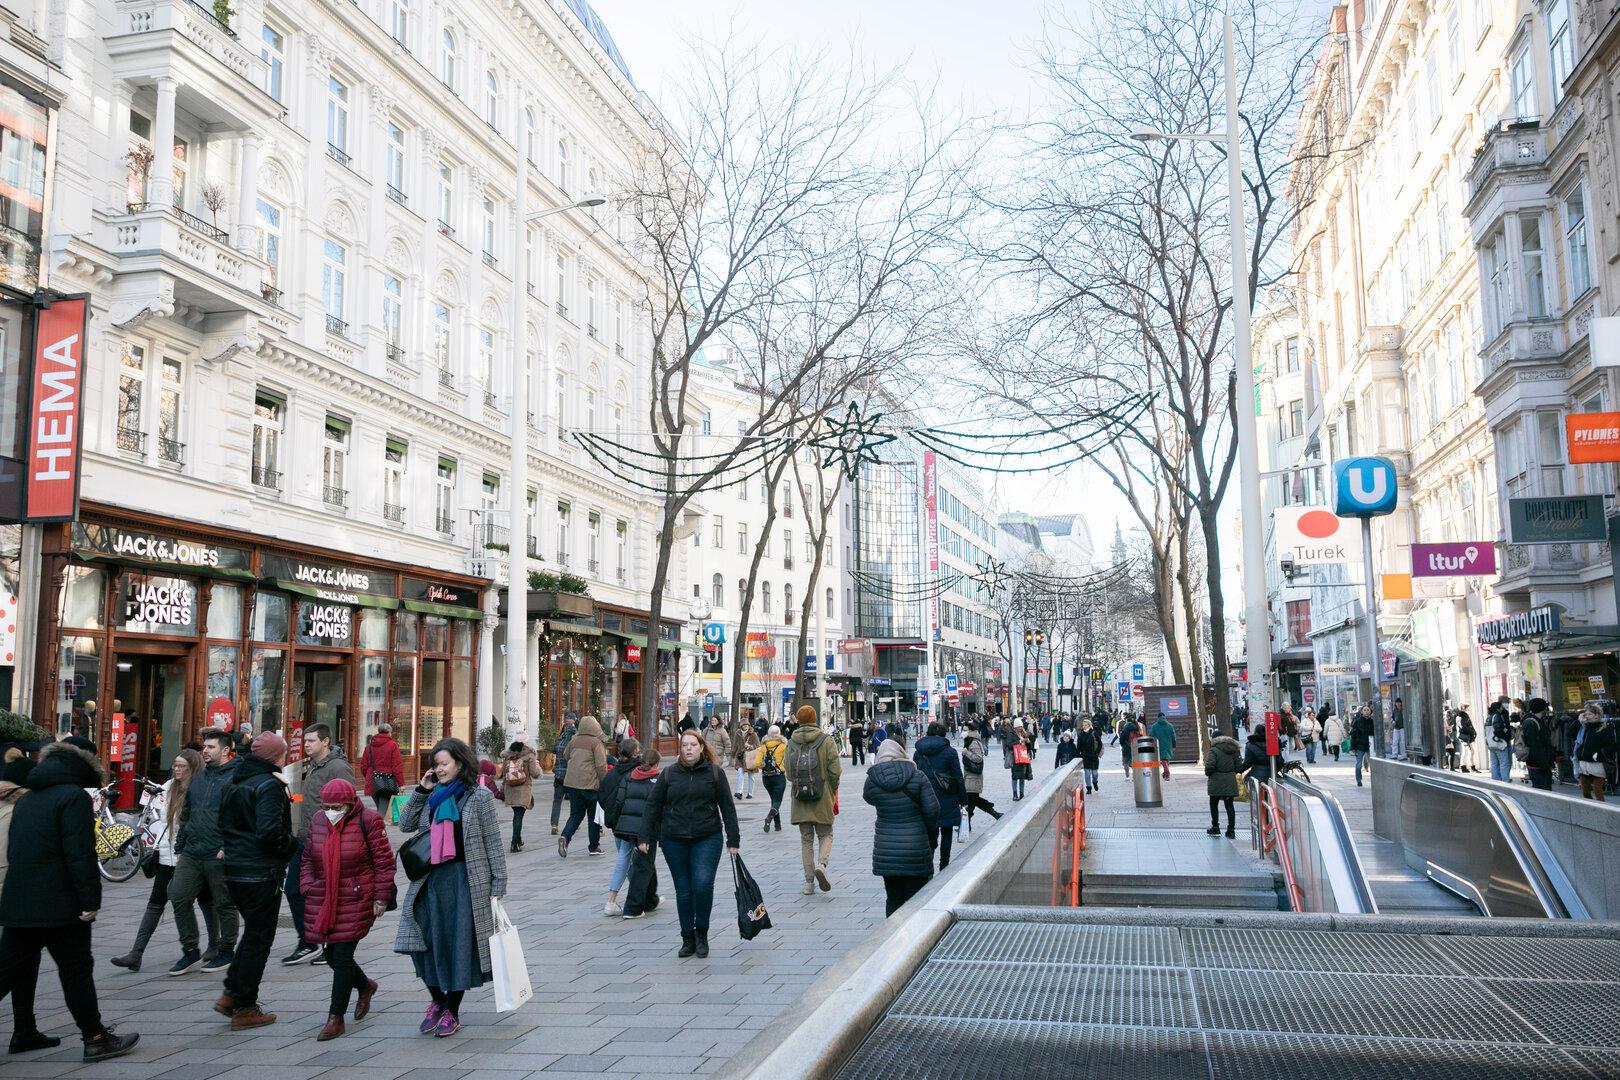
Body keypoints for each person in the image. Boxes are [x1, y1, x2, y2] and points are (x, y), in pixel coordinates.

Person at [0, 742, 141, 1062]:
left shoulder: (27, 799)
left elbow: (14, 852)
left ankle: (24, 1031)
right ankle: (95, 1037)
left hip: (19, 901)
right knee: (76, 970)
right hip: (60, 906)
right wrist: (90, 900)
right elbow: (79, 854)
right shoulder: (72, 798)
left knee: (9, 970)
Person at [395, 737, 508, 1038]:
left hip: (464, 880)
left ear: (460, 763)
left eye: (444, 763)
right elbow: (404, 824)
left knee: (458, 946)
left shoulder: (479, 796)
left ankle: (452, 1011)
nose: (439, 769)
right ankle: (437, 999)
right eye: (435, 764)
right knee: (421, 944)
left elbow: (492, 841)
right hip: (430, 880)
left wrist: (498, 882)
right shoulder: (432, 795)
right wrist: (421, 790)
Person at [110, 749, 221, 972]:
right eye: (176, 765)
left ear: (193, 768)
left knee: (206, 901)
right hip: (166, 854)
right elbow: (162, 819)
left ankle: (213, 946)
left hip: (191, 856)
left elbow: (194, 823)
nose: (178, 770)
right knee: (156, 902)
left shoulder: (200, 788)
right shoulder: (169, 786)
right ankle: (136, 953)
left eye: (183, 766)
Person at [300, 778, 394, 1041]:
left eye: (337, 807)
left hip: (356, 896)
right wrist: (307, 884)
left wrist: (380, 898)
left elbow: (384, 863)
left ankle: (335, 1017)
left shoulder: (369, 820)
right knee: (331, 957)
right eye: (327, 806)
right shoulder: (319, 820)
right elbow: (308, 856)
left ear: (350, 803)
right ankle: (365, 985)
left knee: (340, 958)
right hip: (324, 896)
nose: (331, 811)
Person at [214, 731, 296, 1029]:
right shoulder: (269, 785)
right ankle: (245, 1006)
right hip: (260, 872)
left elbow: (222, 823)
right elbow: (269, 831)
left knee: (252, 935)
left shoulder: (235, 782)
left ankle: (231, 994)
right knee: (259, 938)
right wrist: (292, 845)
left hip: (235, 869)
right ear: (276, 756)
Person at [638, 730, 740, 959]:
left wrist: (733, 839)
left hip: (707, 837)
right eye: (684, 745)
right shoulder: (669, 774)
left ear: (702, 747)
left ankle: (702, 933)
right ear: (680, 749)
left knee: (702, 885)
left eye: (693, 745)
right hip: (674, 839)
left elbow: (727, 807)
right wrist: (644, 837)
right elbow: (653, 806)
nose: (689, 749)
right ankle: (687, 937)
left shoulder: (714, 773)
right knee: (683, 891)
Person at [168, 727, 240, 976]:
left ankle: (226, 950)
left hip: (218, 852)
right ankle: (190, 951)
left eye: (210, 747)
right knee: (178, 895)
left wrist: (228, 846)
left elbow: (239, 818)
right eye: (204, 746)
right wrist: (181, 844)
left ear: (226, 750)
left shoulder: (234, 777)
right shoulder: (198, 778)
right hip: (192, 850)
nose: (205, 751)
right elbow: (188, 813)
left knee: (224, 903)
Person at [282, 724, 354, 967]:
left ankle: (328, 944)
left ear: (325, 742)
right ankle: (308, 941)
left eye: (311, 741)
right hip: (304, 839)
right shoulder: (310, 766)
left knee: (327, 894)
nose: (306, 745)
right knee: (294, 889)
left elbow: (348, 804)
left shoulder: (338, 767)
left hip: (327, 841)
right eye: (305, 741)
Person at [864, 739, 940, 916]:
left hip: (886, 851)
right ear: (901, 752)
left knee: (893, 898)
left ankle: (892, 939)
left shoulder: (873, 779)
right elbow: (933, 810)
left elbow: (868, 798)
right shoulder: (917, 776)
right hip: (916, 847)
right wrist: (928, 833)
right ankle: (916, 940)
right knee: (916, 899)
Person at [786, 705, 842, 895]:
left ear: (799, 720)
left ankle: (808, 883)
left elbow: (788, 773)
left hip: (800, 798)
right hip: (822, 795)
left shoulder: (791, 742)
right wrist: (832, 787)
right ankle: (822, 864)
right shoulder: (826, 740)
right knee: (826, 834)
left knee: (806, 839)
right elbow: (835, 770)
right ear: (815, 718)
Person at [603, 743, 661, 919]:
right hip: (645, 828)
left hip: (625, 825)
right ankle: (630, 905)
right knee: (642, 863)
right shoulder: (657, 779)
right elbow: (660, 806)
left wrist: (617, 822)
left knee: (638, 862)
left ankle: (649, 900)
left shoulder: (628, 776)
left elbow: (619, 801)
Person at [912, 723, 966, 870]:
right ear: (944, 735)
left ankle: (928, 864)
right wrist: (963, 800)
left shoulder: (918, 752)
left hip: (925, 798)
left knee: (931, 832)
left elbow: (915, 776)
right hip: (947, 797)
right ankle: (944, 866)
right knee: (947, 832)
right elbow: (958, 777)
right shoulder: (950, 752)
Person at [559, 714, 608, 857]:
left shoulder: (574, 740)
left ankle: (565, 837)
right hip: (590, 785)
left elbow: (565, 755)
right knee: (593, 817)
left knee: (575, 815)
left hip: (573, 784)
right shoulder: (596, 742)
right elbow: (601, 765)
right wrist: (604, 782)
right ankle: (594, 847)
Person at [498, 739, 540, 852]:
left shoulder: (507, 757)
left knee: (516, 815)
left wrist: (502, 788)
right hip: (523, 789)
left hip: (510, 790)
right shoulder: (529, 757)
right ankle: (514, 843)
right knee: (518, 816)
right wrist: (538, 768)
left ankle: (518, 839)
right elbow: (535, 774)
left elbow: (503, 775)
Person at [359, 722, 403, 819]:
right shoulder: (392, 745)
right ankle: (376, 830)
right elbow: (397, 766)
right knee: (382, 811)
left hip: (372, 781)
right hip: (387, 782)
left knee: (380, 808)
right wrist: (401, 784)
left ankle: (377, 830)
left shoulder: (369, 746)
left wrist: (369, 777)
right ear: (389, 732)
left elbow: (363, 766)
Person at [1572, 704, 1615, 801]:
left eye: (1589, 714)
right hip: (1583, 764)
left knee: (1597, 791)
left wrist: (1598, 754)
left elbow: (1612, 746)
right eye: (1586, 714)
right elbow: (1570, 733)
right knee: (1585, 791)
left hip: (1597, 764)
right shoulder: (1585, 727)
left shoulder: (1604, 729)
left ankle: (1602, 812)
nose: (1586, 716)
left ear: (1597, 715)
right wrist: (1579, 722)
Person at [1205, 729, 1242, 838]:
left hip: (1216, 780)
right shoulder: (1234, 750)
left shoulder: (1214, 750)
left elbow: (1209, 766)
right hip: (1230, 780)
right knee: (1229, 805)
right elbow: (1239, 767)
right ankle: (1231, 830)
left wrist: (1209, 773)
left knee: (1213, 803)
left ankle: (1215, 827)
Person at [959, 732, 1001, 827]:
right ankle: (994, 814)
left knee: (971, 800)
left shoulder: (973, 742)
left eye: (965, 729)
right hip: (970, 776)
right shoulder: (968, 741)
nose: (963, 731)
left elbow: (978, 758)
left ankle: (966, 825)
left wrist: (966, 752)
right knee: (973, 800)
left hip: (973, 777)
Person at [756, 724, 789, 832]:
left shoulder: (763, 746)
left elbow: (757, 763)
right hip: (779, 776)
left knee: (773, 800)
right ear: (779, 733)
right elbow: (788, 761)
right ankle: (769, 817)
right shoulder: (783, 745)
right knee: (777, 800)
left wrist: (764, 766)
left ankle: (777, 825)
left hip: (766, 778)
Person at [549, 714, 578, 835]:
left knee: (557, 800)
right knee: (574, 801)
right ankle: (574, 822)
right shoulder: (575, 740)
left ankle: (554, 824)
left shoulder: (560, 739)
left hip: (559, 775)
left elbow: (553, 749)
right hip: (571, 775)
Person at [1486, 703, 1515, 782]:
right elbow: (1499, 730)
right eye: (1501, 706)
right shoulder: (1497, 716)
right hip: (1499, 743)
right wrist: (1505, 737)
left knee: (1494, 763)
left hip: (1491, 743)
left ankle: (1495, 781)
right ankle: (1505, 780)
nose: (1503, 708)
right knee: (1504, 763)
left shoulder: (1489, 717)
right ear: (1498, 708)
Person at [1349, 704, 1375, 787]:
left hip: (1370, 746)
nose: (1366, 711)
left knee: (1373, 765)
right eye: (1365, 710)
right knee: (1359, 765)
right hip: (1360, 746)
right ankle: (1359, 780)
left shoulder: (1372, 721)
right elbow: (1353, 734)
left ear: (1370, 711)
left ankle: (1374, 780)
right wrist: (1352, 747)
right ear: (1362, 712)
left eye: (1368, 710)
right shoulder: (1358, 721)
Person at [734, 722, 760, 800]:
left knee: (751, 776)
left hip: (750, 757)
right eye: (744, 725)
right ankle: (739, 792)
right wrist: (732, 754)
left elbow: (758, 746)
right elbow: (735, 745)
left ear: (749, 726)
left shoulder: (753, 734)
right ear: (741, 726)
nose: (746, 726)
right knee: (740, 773)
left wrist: (749, 746)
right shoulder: (737, 733)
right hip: (740, 757)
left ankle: (750, 793)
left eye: (747, 725)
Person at [1076, 718, 1102, 793]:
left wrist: (1096, 752)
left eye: (1086, 725)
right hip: (1085, 756)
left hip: (1094, 756)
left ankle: (1095, 781)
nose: (1084, 726)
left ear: (1089, 725)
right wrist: (1078, 754)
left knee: (1095, 773)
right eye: (1083, 725)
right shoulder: (1081, 734)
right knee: (1087, 773)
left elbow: (1100, 744)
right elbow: (1078, 746)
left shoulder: (1094, 733)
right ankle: (1089, 788)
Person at [1010, 720, 1035, 801]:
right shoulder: (1011, 734)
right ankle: (1015, 794)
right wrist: (1019, 741)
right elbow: (1008, 745)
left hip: (1024, 757)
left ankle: (1021, 794)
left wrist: (1028, 742)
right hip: (1015, 758)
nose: (1020, 728)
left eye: (1021, 726)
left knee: (1022, 777)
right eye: (1019, 726)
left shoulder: (1024, 734)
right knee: (1015, 777)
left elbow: (1030, 747)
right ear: (1015, 727)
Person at [1149, 712, 1177, 779]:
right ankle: (1165, 774)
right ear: (1164, 717)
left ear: (1158, 718)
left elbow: (1150, 735)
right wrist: (1174, 745)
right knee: (1166, 759)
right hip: (1168, 745)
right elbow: (1174, 737)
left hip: (1159, 745)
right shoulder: (1170, 726)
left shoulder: (1154, 726)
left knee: (1164, 760)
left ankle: (1167, 774)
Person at [1455, 704, 1476, 773]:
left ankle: (1464, 766)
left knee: (1466, 751)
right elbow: (1464, 727)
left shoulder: (1462, 715)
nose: (1467, 709)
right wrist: (1471, 732)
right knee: (1470, 751)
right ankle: (1470, 766)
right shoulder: (1462, 716)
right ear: (1462, 708)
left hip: (1463, 735)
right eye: (1466, 707)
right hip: (1465, 736)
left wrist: (1473, 731)